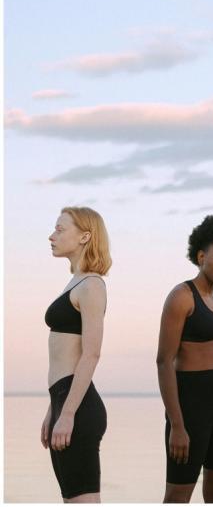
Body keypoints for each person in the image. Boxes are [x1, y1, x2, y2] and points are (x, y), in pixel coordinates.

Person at [156, 215, 213, 503]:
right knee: (178, 495)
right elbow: (164, 361)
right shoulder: (182, 296)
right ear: (200, 256)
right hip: (190, 405)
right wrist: (177, 425)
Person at [43, 206, 110, 503]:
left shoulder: (92, 285)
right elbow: (63, 357)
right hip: (65, 400)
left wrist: (68, 413)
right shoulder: (76, 282)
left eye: (59, 229)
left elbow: (91, 354)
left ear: (85, 236)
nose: (51, 236)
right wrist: (53, 410)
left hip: (79, 408)